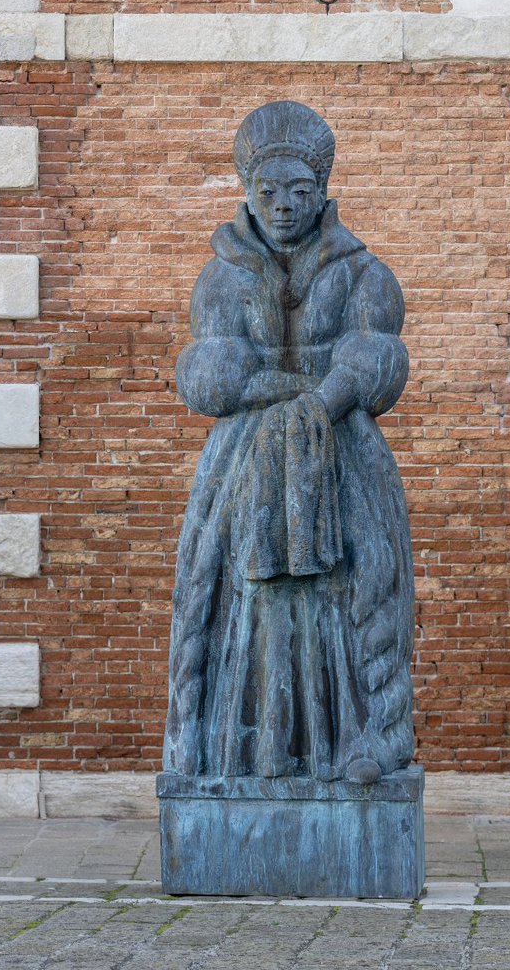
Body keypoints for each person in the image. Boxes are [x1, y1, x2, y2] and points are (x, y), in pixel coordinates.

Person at [163, 101, 414, 784]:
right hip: (246, 460)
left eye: (299, 191)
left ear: (321, 191)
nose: (283, 205)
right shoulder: (223, 274)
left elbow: (378, 359)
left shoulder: (362, 272)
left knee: (363, 584)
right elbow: (209, 374)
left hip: (343, 450)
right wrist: (288, 392)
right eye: (268, 190)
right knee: (237, 598)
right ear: (248, 190)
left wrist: (322, 403)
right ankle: (237, 752)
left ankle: (366, 741)